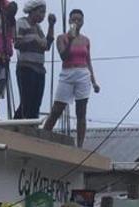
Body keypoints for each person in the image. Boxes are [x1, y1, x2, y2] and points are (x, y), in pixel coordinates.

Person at [43, 8, 100, 147]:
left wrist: (94, 81)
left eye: (79, 20)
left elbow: (88, 61)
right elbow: (63, 56)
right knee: (57, 109)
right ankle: (44, 136)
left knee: (81, 111)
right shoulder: (62, 38)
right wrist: (70, 40)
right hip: (67, 73)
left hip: (83, 74)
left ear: (82, 22)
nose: (76, 22)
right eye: (73, 19)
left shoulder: (86, 40)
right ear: (69, 21)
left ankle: (80, 145)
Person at [14, 0, 56, 119]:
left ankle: (30, 125)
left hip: (39, 69)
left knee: (36, 103)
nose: (43, 15)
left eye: (44, 13)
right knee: (27, 101)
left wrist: (51, 25)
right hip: (26, 67)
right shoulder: (22, 23)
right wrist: (33, 39)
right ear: (32, 11)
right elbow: (17, 43)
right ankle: (17, 124)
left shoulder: (38, 28)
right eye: (41, 12)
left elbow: (47, 45)